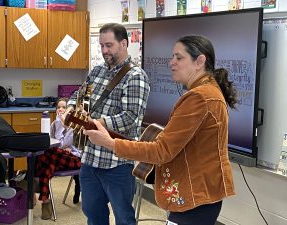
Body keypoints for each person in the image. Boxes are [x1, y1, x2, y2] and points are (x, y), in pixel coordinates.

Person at [84, 35, 237, 225]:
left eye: (179, 58)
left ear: (200, 61)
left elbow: (160, 151)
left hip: (194, 195)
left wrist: (109, 142)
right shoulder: (208, 92)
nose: (171, 62)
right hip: (200, 192)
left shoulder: (199, 97)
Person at [65, 23, 150, 225]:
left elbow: (131, 117)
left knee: (123, 218)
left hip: (117, 163)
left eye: (109, 45)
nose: (104, 51)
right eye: (101, 45)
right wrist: (70, 107)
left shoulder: (136, 77)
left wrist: (98, 123)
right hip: (90, 159)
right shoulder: (96, 71)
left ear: (124, 44)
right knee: (93, 216)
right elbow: (80, 95)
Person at [34, 98, 81, 220]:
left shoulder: (77, 125)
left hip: (74, 159)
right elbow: (49, 142)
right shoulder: (54, 124)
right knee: (46, 157)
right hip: (56, 159)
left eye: (64, 107)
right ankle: (45, 201)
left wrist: (72, 150)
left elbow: (83, 148)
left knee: (44, 155)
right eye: (58, 107)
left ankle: (31, 183)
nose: (60, 110)